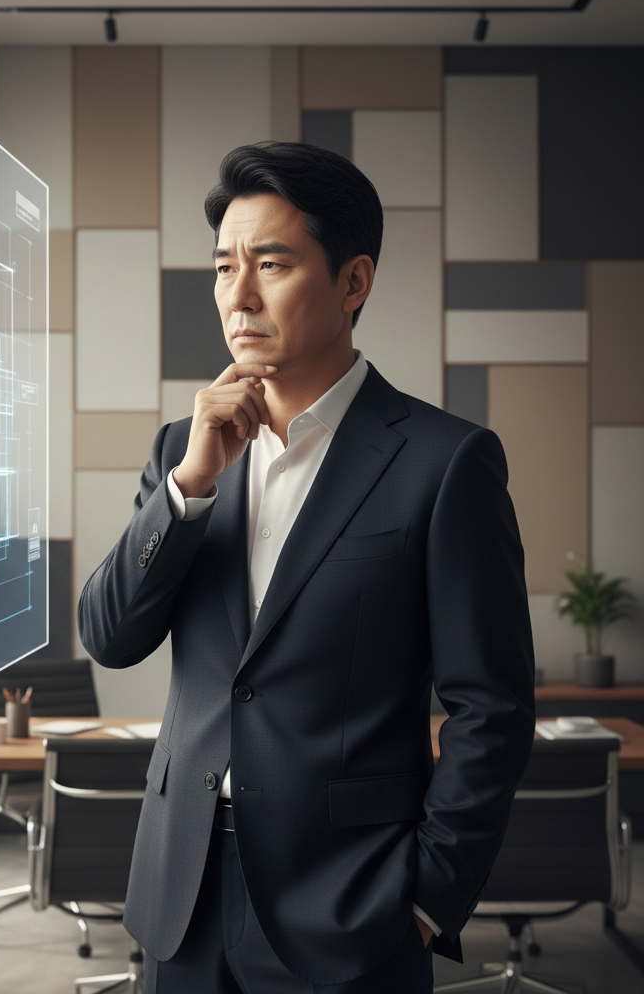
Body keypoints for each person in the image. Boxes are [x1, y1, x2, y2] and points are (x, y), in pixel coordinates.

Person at [77, 142, 536, 994]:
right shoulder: (183, 451)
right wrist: (189, 488)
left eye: (272, 264)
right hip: (182, 895)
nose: (238, 295)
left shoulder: (445, 462)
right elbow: (109, 636)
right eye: (224, 268)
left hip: (352, 903)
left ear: (353, 283)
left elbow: (494, 706)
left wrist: (428, 898)